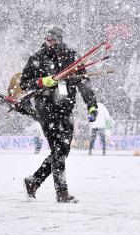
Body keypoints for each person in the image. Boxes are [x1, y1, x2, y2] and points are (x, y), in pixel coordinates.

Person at [20, 27, 98, 203]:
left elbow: (84, 82)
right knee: (58, 150)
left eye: (53, 40)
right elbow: (24, 83)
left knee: (63, 149)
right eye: (47, 39)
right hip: (46, 108)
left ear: (60, 39)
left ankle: (34, 181)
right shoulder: (37, 57)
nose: (50, 43)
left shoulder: (71, 56)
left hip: (66, 109)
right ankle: (62, 193)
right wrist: (41, 81)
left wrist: (91, 105)